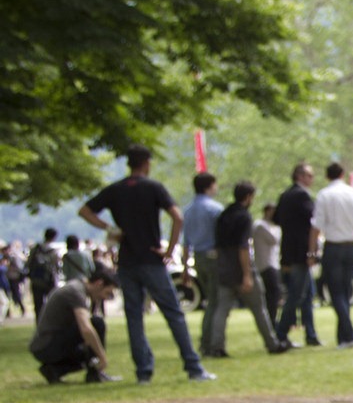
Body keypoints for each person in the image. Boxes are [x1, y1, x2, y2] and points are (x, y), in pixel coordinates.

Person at [76, 145, 214, 382]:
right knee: (173, 313)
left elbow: (85, 211)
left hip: (127, 261)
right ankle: (193, 367)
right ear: (147, 163)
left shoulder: (116, 189)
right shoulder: (153, 188)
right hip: (152, 259)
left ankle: (143, 372)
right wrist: (169, 250)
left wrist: (109, 228)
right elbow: (177, 217)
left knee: (134, 318)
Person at [210, 181, 291, 356]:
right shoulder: (244, 217)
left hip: (224, 267)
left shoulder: (224, 215)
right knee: (259, 308)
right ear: (248, 197)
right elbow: (243, 247)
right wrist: (247, 274)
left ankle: (216, 346)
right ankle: (272, 343)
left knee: (222, 309)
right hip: (241, 267)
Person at [30, 265, 121, 383]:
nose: (105, 297)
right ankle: (95, 373)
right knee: (97, 323)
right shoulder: (75, 292)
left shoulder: (77, 288)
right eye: (107, 293)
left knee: (87, 353)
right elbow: (86, 329)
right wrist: (102, 357)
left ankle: (53, 370)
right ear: (99, 284)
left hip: (45, 344)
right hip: (47, 345)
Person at [312, 161, 353, 348]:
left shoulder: (325, 195)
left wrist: (312, 250)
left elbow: (317, 225)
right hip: (351, 247)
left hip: (334, 247)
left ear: (327, 176)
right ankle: (343, 336)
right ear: (342, 174)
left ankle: (349, 335)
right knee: (344, 291)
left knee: (336, 293)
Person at [274, 162, 321, 348]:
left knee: (307, 294)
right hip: (301, 251)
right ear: (300, 176)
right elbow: (314, 220)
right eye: (309, 175)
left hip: (289, 249)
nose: (312, 179)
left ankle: (311, 334)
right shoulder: (302, 195)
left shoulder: (285, 195)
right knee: (297, 294)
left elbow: (277, 218)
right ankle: (281, 333)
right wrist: (312, 250)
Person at [181, 172, 226, 357]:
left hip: (198, 258)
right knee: (215, 302)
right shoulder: (215, 209)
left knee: (210, 299)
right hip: (213, 257)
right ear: (209, 186)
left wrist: (185, 268)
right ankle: (208, 343)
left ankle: (207, 342)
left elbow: (186, 243)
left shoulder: (188, 210)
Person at [252, 200, 283, 322]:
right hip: (266, 264)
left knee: (274, 294)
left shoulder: (269, 226)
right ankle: (271, 319)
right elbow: (274, 239)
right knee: (272, 294)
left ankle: (272, 318)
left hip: (272, 263)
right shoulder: (260, 226)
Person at [25, 227, 61, 318]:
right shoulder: (54, 251)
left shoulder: (36, 248)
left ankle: (39, 321)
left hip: (36, 279)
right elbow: (57, 266)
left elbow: (28, 263)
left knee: (38, 304)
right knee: (52, 302)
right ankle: (50, 320)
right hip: (49, 280)